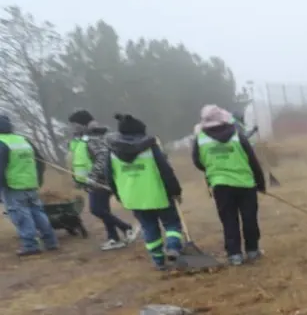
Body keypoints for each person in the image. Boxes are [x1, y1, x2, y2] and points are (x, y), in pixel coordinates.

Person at [105, 114, 185, 269]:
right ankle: (173, 247)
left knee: (149, 227)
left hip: (134, 198)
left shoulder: (112, 152)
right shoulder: (150, 148)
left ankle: (158, 261)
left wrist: (119, 196)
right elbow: (165, 171)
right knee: (171, 223)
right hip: (159, 195)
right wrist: (176, 190)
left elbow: (110, 177)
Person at [192, 105, 267, 265]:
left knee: (228, 220)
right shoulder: (237, 134)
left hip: (220, 185)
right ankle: (252, 251)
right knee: (249, 218)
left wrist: (214, 168)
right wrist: (260, 183)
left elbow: (198, 161)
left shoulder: (200, 138)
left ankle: (235, 255)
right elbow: (252, 160)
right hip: (245, 183)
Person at [68, 110, 135, 251]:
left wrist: (91, 177)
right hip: (91, 181)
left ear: (83, 124)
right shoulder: (83, 138)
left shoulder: (94, 137)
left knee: (96, 209)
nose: (73, 128)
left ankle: (126, 227)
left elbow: (103, 158)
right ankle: (113, 238)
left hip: (100, 181)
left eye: (75, 124)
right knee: (104, 210)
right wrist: (79, 179)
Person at [0, 114, 58, 257]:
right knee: (38, 213)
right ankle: (51, 242)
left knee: (21, 216)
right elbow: (40, 162)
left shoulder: (1, 143)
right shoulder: (23, 140)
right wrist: (37, 180)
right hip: (31, 184)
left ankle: (30, 245)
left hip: (13, 187)